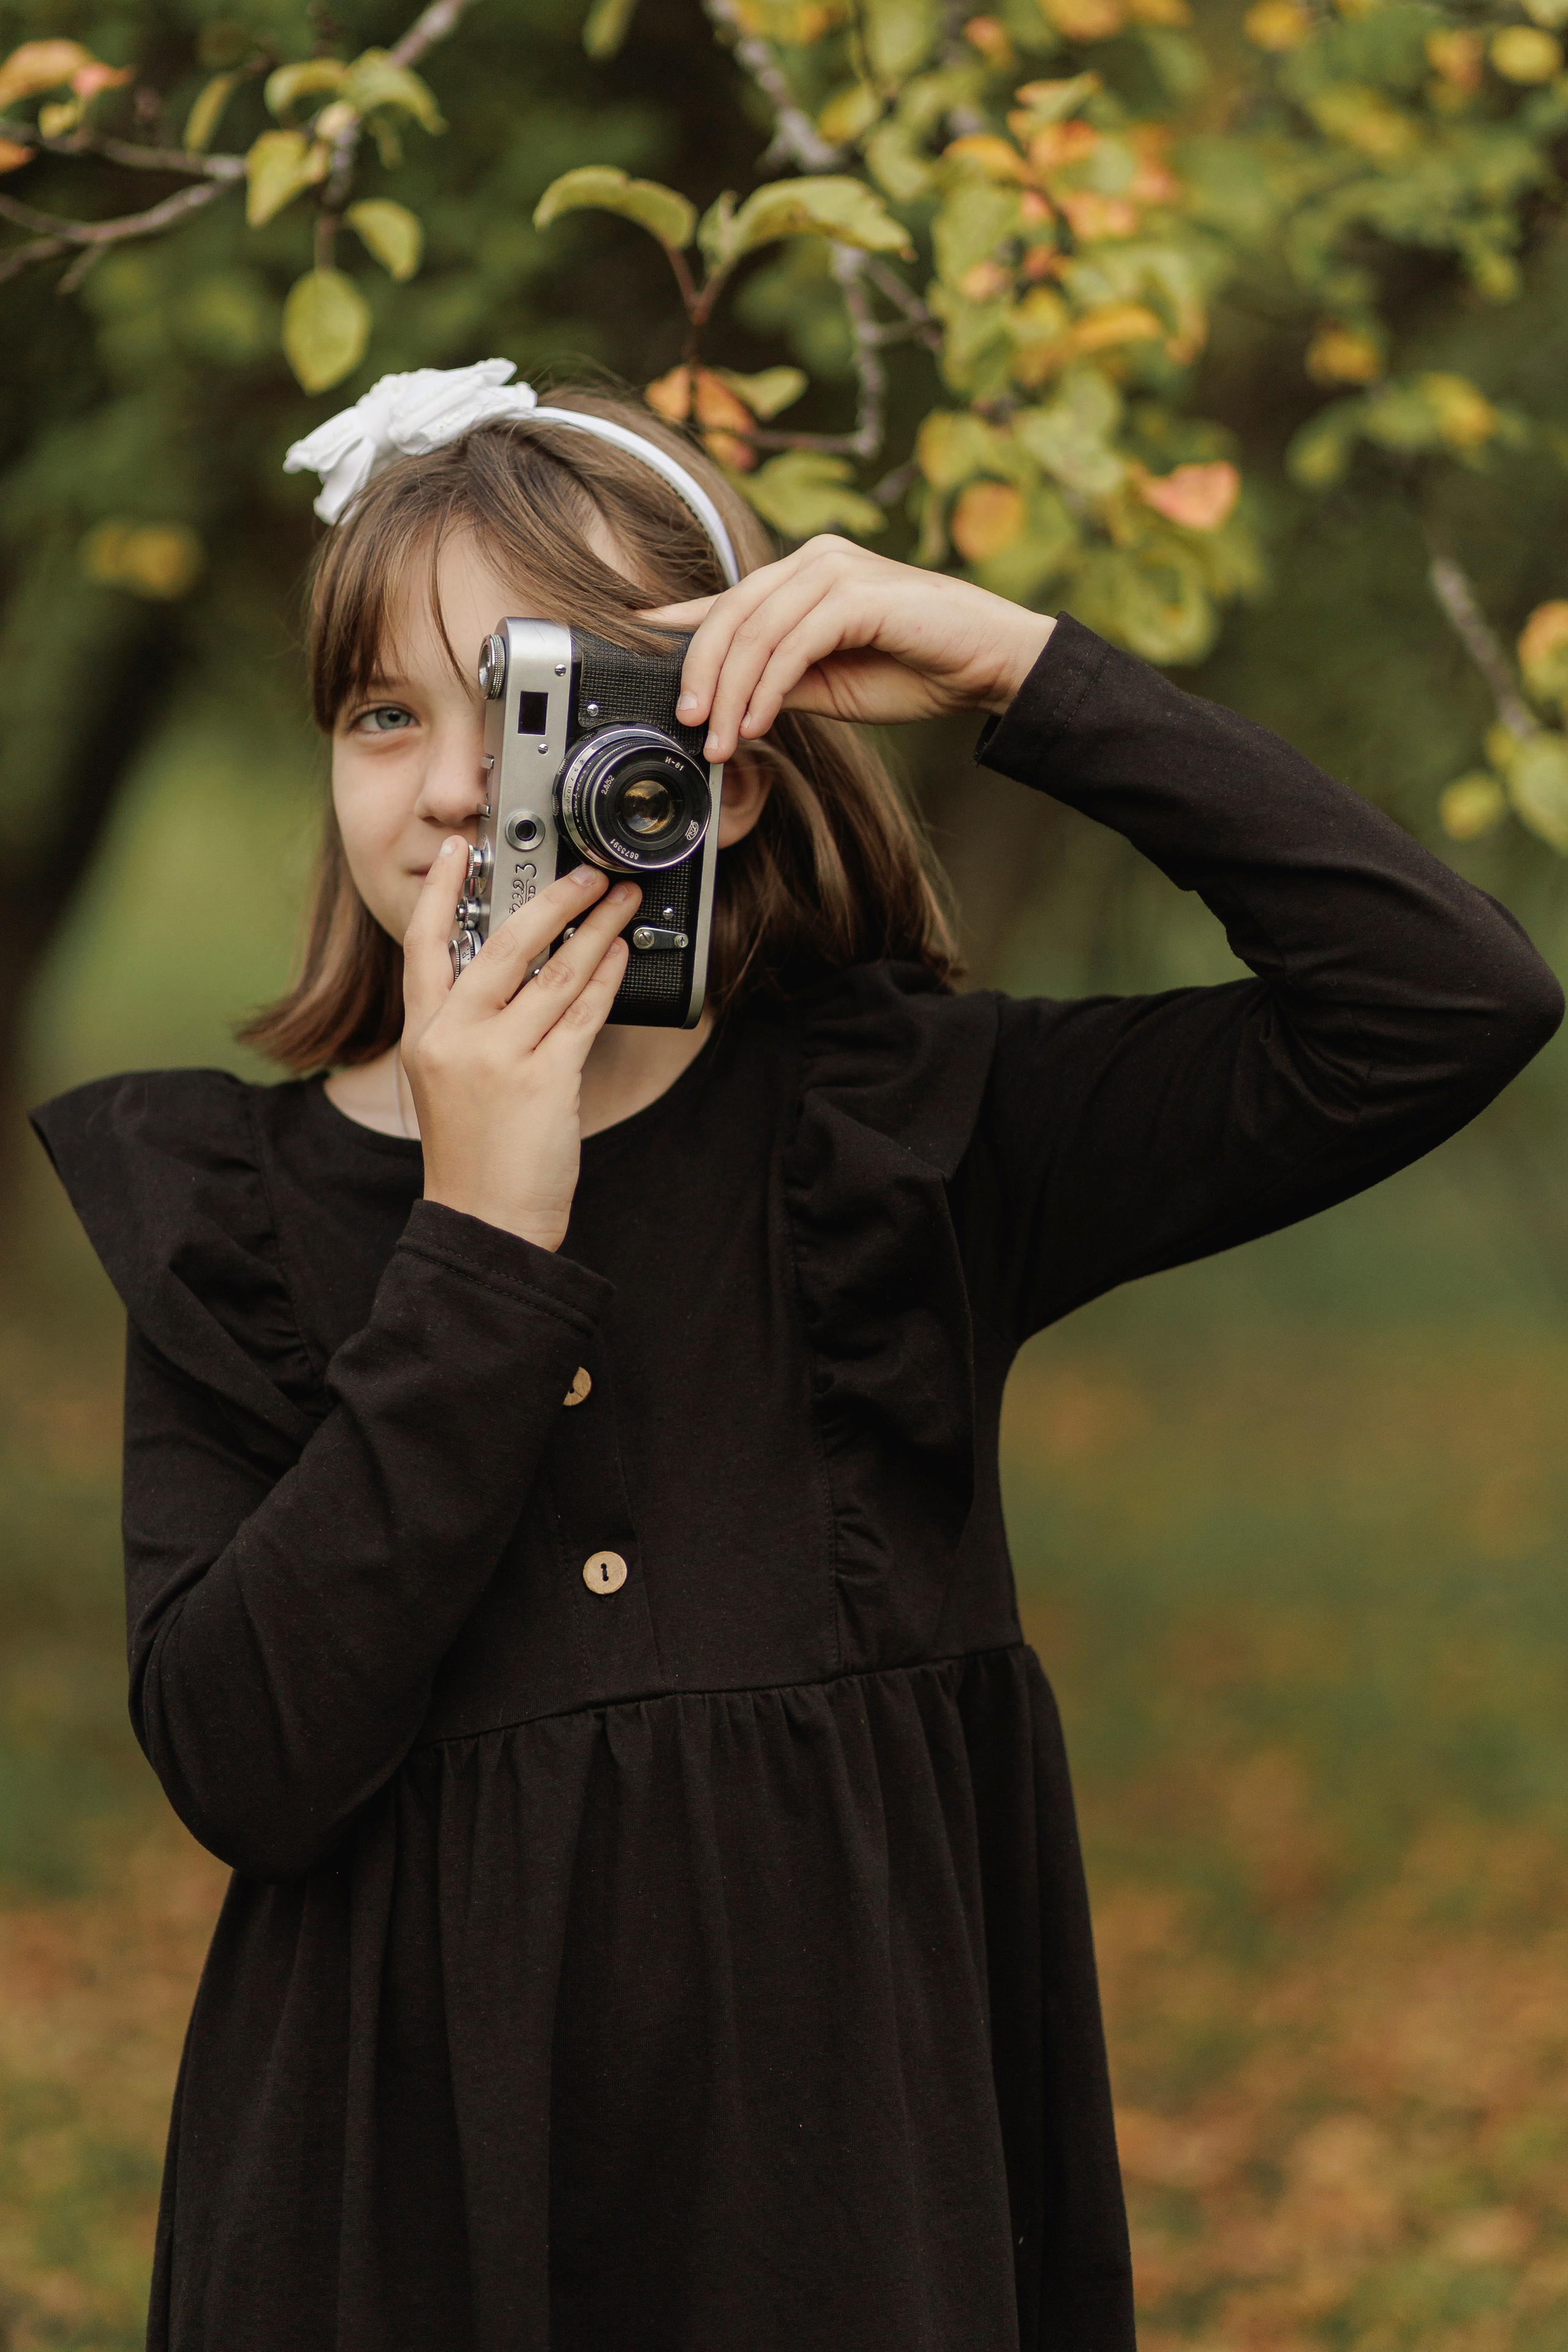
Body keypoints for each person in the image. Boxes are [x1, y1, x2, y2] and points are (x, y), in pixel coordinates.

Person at [31, 362, 1562, 2352]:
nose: (440, 789)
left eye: (528, 710)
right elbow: (245, 1761)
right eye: (381, 713)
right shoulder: (230, 1212)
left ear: (710, 767)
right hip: (399, 2216)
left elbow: (1444, 1000)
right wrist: (483, 1242)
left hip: (844, 2204)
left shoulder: (899, 1142)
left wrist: (1019, 667)